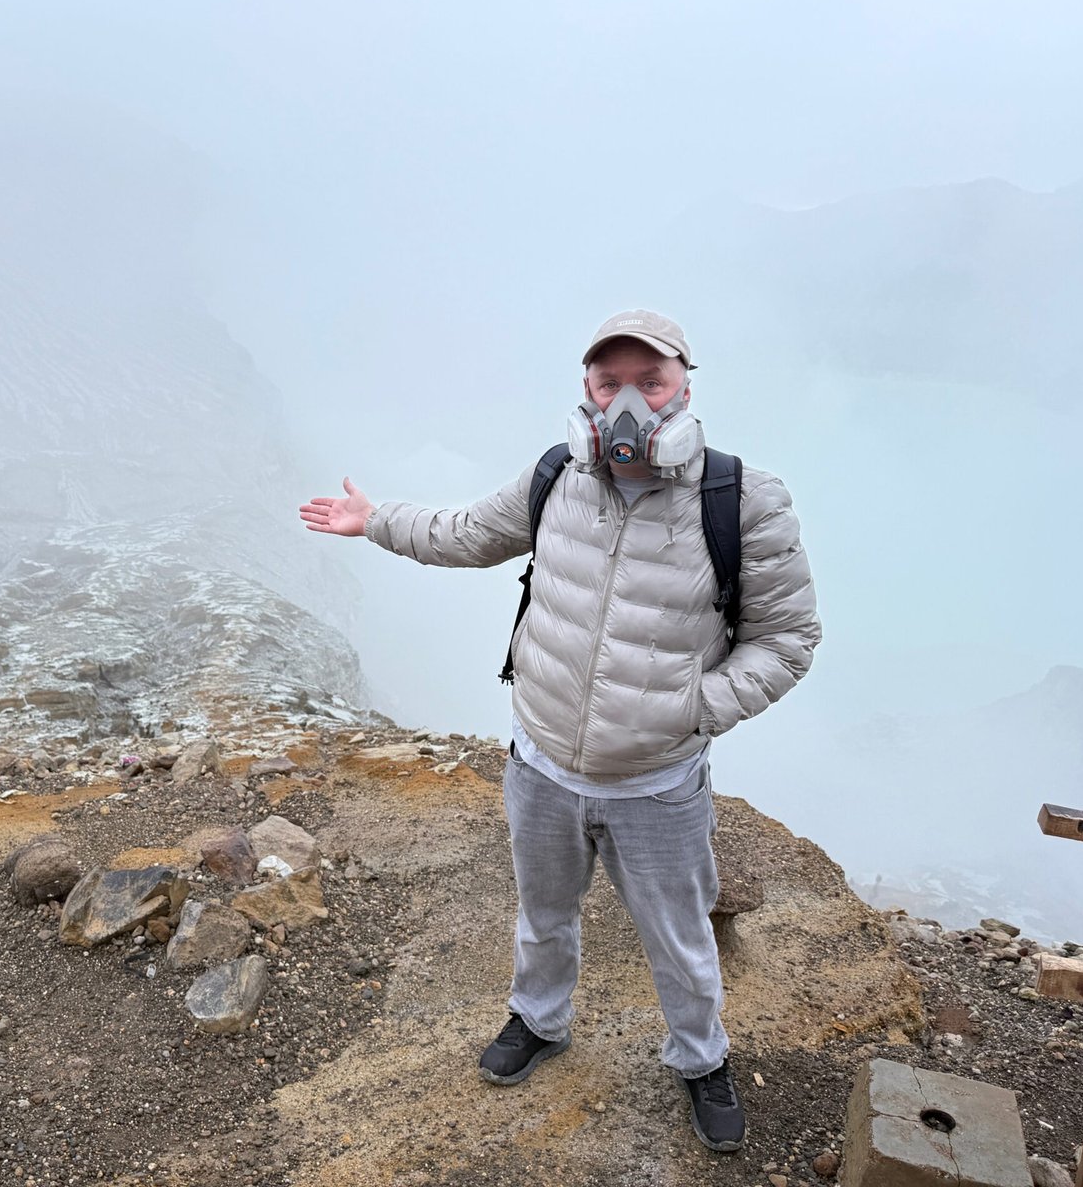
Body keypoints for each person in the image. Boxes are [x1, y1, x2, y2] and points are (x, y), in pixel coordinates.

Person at [297, 309, 820, 1154]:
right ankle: (538, 1021)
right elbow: (465, 535)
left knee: (679, 937)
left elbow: (789, 640)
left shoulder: (743, 499)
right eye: (610, 383)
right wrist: (377, 519)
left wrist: (694, 709)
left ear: (684, 384)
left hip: (656, 781)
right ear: (586, 388)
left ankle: (701, 1059)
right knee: (544, 914)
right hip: (540, 762)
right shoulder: (556, 478)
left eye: (649, 382)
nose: (628, 403)